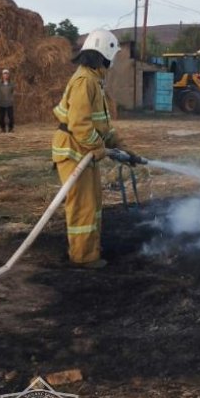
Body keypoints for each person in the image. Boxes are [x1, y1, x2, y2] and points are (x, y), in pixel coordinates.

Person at [51, 29, 136, 269]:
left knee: (93, 203)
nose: (113, 62)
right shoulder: (85, 81)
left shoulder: (94, 81)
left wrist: (123, 149)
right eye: (112, 56)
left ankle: (89, 249)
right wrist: (100, 149)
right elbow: (80, 125)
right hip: (73, 151)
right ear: (104, 54)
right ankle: (83, 257)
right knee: (83, 206)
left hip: (83, 152)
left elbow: (101, 126)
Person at [0, 69, 16, 133]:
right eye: (4, 74)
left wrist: (12, 98)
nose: (6, 75)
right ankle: (3, 129)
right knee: (1, 117)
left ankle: (11, 128)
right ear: (2, 75)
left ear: (8, 75)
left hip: (9, 102)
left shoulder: (11, 83)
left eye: (7, 74)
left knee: (11, 117)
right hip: (1, 103)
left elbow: (13, 91)